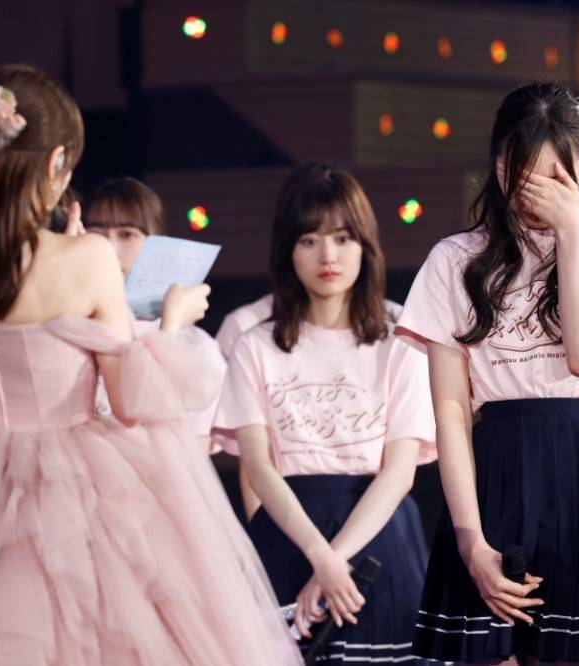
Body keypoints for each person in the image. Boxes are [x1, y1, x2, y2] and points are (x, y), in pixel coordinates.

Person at [0, 64, 299, 665]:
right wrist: (174, 321)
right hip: (78, 486)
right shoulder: (86, 258)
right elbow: (130, 403)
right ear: (56, 162)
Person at [396, 82, 579, 665]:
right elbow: (450, 409)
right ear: (499, 168)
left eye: (557, 177)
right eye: (523, 175)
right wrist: (470, 539)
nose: (538, 195)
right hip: (497, 467)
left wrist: (572, 235)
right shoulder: (455, 260)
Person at [213, 162, 437, 664]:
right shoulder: (254, 346)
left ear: (365, 245)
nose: (327, 255)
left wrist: (336, 560)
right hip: (288, 535)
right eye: (309, 240)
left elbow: (400, 471)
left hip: (379, 534)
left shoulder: (401, 338)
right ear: (287, 250)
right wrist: (320, 556)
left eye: (342, 238)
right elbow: (258, 467)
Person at [83, 176, 226, 448]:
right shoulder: (67, 330)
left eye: (127, 234)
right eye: (96, 234)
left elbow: (191, 456)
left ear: (157, 244)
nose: (109, 248)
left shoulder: (197, 348)